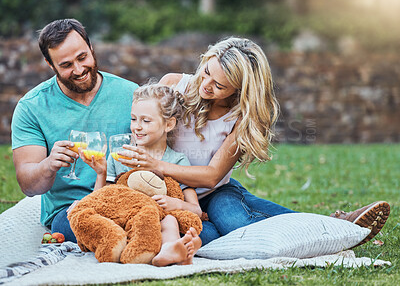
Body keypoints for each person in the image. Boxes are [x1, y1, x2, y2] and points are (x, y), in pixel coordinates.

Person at [117, 37, 391, 246]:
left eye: (220, 85)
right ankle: (333, 225)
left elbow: (212, 177)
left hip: (213, 190)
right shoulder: (174, 85)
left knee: (235, 222)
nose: (207, 84)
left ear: (240, 89)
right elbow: (142, 124)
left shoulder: (241, 117)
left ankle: (333, 230)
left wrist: (158, 166)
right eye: (207, 71)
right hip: (174, 194)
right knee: (206, 234)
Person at [11, 18, 139, 243]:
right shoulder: (32, 107)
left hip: (126, 199)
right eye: (66, 65)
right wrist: (48, 165)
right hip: (70, 210)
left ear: (91, 48)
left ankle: (128, 238)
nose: (79, 70)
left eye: (82, 57)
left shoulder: (131, 94)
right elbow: (28, 186)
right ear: (50, 65)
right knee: (71, 225)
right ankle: (133, 239)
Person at [78, 83, 202, 266]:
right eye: (134, 119)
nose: (137, 127)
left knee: (169, 220)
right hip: (124, 223)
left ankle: (170, 249)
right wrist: (101, 174)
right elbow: (101, 201)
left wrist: (177, 203)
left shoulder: (177, 161)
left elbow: (197, 211)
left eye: (146, 121)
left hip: (157, 225)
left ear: (168, 124)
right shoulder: (119, 156)